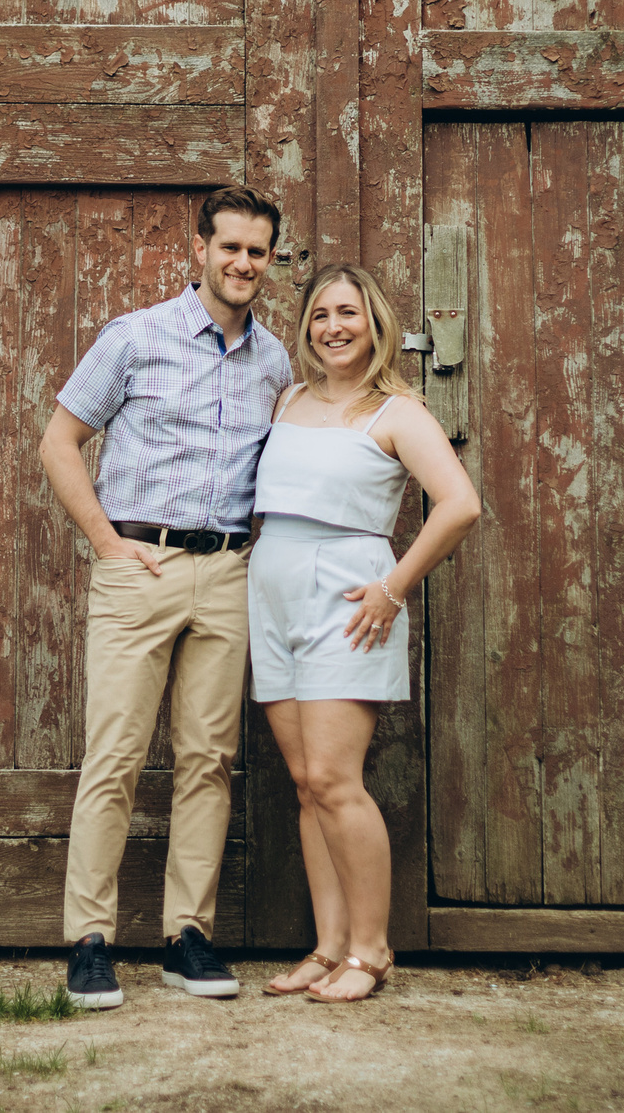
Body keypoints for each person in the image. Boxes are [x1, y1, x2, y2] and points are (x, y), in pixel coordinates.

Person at [39, 186, 294, 1010]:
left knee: (208, 761)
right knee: (113, 756)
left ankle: (188, 934)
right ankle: (90, 940)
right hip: (138, 564)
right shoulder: (135, 336)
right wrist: (109, 544)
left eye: (258, 252)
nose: (244, 263)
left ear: (269, 260)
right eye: (230, 247)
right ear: (198, 247)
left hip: (225, 570)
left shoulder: (275, 361)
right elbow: (60, 440)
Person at [251, 262, 479, 1003]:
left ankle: (372, 951)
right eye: (320, 315)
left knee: (335, 779)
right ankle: (328, 946)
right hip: (274, 591)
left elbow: (458, 504)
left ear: (375, 322)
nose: (333, 327)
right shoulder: (288, 397)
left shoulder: (397, 412)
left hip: (346, 596)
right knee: (305, 784)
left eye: (347, 312)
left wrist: (393, 586)